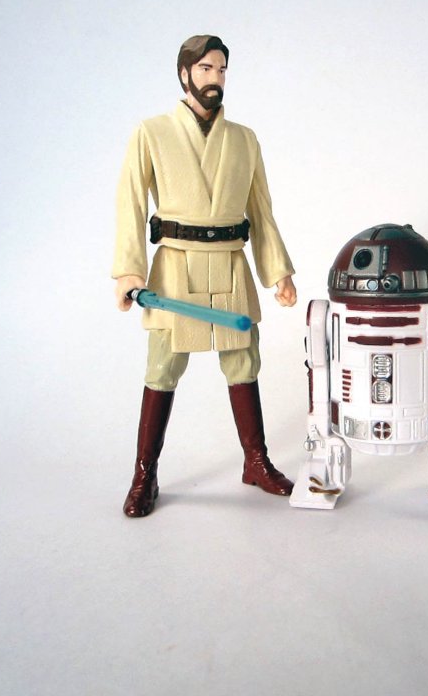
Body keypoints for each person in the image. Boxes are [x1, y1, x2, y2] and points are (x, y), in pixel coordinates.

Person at [112, 34, 297, 518]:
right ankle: (145, 473)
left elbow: (261, 209)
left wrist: (277, 270)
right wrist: (128, 272)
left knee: (243, 361)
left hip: (231, 261)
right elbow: (130, 203)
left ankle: (255, 461)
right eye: (206, 69)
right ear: (185, 74)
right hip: (176, 266)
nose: (215, 78)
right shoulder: (152, 133)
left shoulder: (244, 139)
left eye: (221, 70)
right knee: (162, 367)